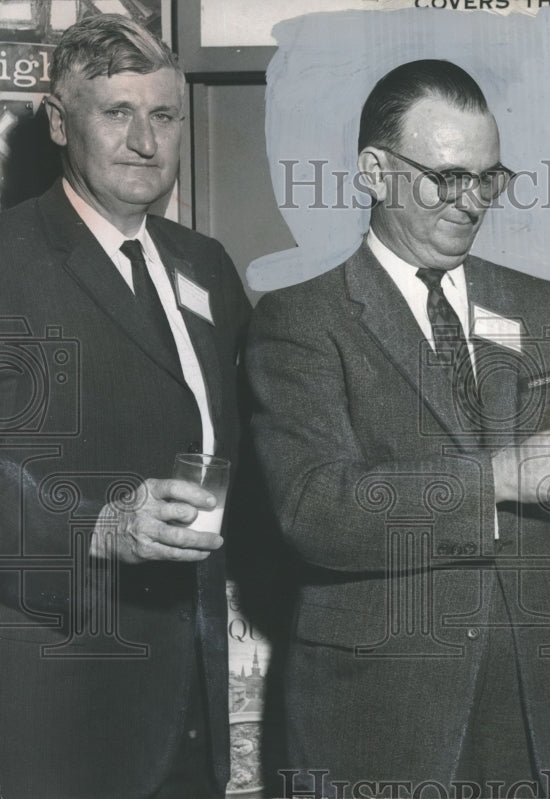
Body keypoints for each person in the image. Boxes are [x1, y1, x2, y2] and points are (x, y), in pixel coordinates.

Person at [246, 59, 550, 795]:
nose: (471, 202)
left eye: (487, 178)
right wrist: (499, 477)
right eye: (446, 177)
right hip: (378, 711)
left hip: (533, 701)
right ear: (375, 171)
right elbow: (315, 508)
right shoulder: (299, 320)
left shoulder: (540, 307)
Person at [0, 15, 251, 799]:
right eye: (117, 112)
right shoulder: (9, 258)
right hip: (56, 709)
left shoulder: (203, 264)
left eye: (165, 115)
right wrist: (99, 527)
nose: (146, 140)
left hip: (194, 706)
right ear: (57, 121)